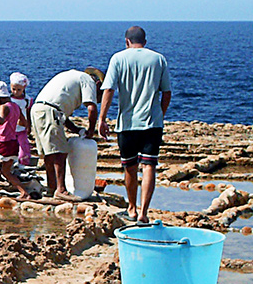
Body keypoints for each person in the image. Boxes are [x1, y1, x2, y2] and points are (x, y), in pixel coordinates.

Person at [98, 25, 172, 222]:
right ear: (145, 42)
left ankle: (131, 208)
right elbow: (166, 93)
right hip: (152, 123)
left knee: (129, 167)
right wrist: (160, 115)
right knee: (149, 167)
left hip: (127, 124)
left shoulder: (118, 58)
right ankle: (144, 213)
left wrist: (102, 118)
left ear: (126, 41)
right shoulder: (158, 59)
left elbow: (108, 90)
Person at [30, 67, 102, 201]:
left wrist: (76, 129)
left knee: (49, 152)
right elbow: (92, 109)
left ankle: (52, 187)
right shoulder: (88, 81)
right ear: (97, 84)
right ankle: (61, 189)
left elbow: (61, 114)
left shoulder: (72, 76)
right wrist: (91, 130)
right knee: (60, 153)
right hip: (49, 111)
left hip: (38, 109)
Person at [9, 72, 34, 167]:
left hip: (22, 128)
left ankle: (24, 163)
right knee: (11, 147)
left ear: (23, 88)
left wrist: (29, 126)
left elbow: (28, 113)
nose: (16, 92)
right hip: (10, 129)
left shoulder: (27, 100)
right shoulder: (8, 99)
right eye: (13, 89)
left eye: (18, 90)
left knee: (24, 147)